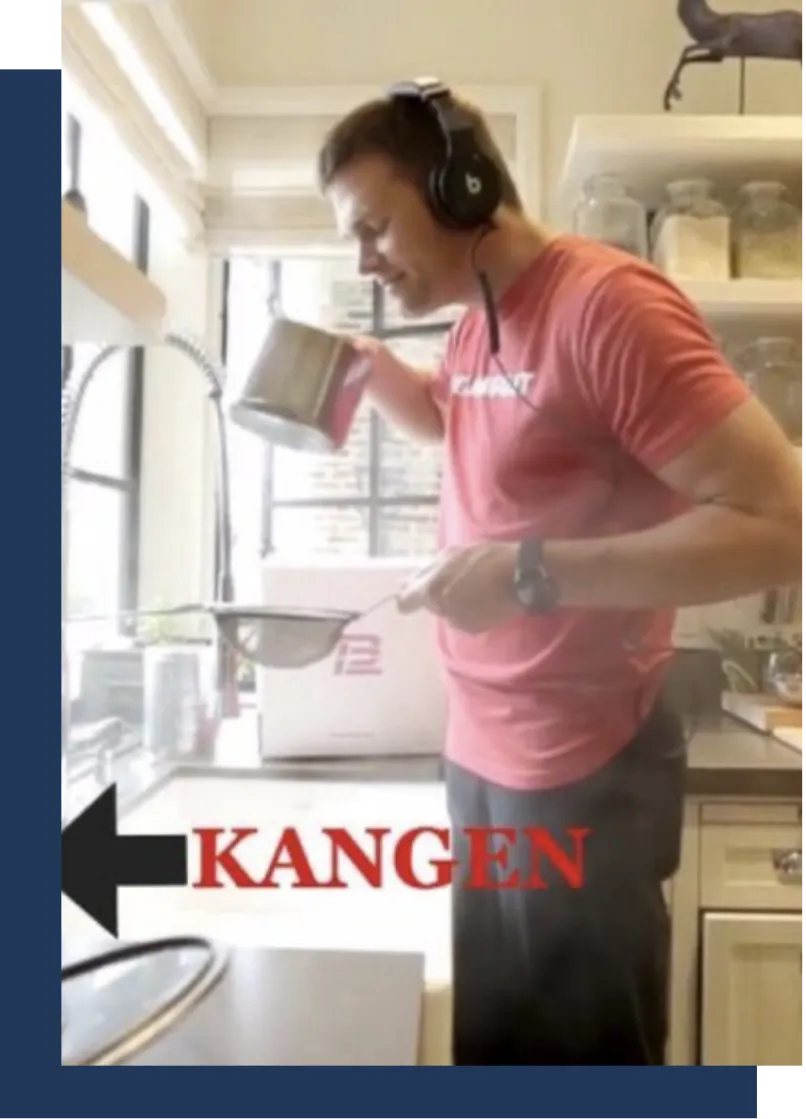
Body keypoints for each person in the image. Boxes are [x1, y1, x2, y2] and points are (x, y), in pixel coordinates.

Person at [315, 80, 805, 1065]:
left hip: (585, 769)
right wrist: (377, 371)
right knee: (497, 1055)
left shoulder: (607, 308)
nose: (363, 260)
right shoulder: (476, 320)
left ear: (457, 187)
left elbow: (783, 526)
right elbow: (469, 418)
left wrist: (529, 574)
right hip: (481, 760)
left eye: (373, 227)